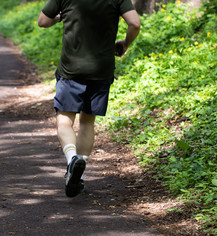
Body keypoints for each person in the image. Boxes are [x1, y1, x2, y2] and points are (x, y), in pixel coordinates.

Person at [38, 0, 140, 198]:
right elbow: (135, 23)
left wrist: (60, 17)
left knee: (64, 121)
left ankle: (72, 160)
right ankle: (79, 176)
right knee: (87, 122)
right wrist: (125, 43)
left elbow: (43, 21)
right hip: (101, 70)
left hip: (71, 70)